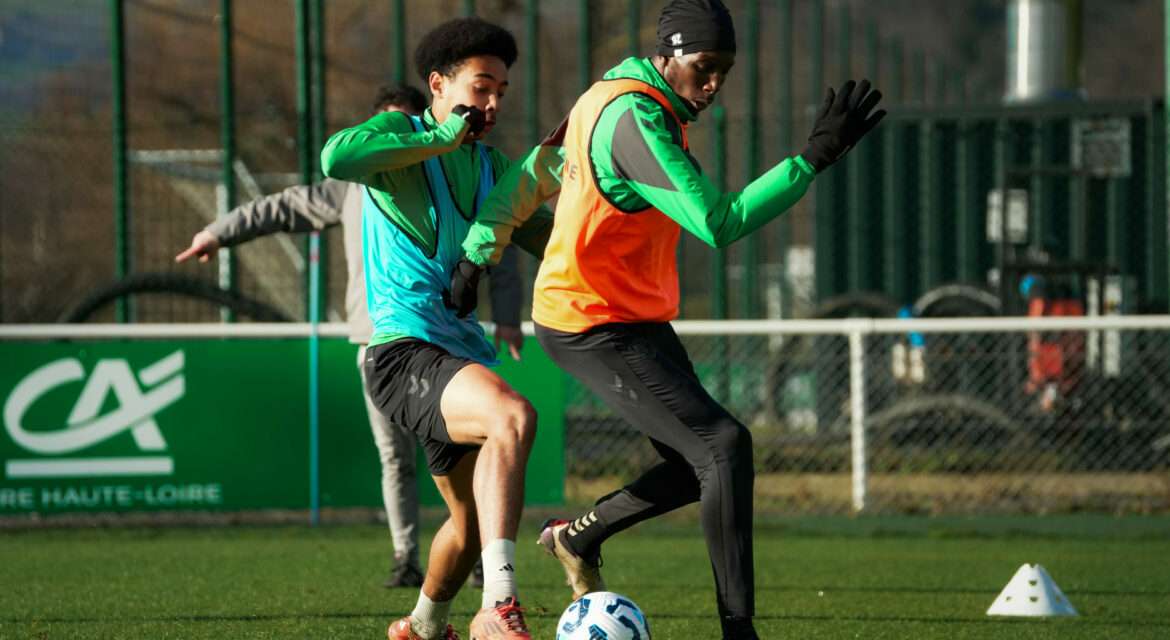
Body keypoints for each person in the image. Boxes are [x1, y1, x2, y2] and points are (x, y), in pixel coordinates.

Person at [451, 1, 885, 639]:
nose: (712, 84)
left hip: (630, 316)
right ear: (668, 56)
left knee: (699, 463)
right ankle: (738, 629)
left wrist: (477, 256)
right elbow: (719, 221)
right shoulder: (635, 121)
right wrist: (811, 159)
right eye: (703, 67)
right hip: (585, 319)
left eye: (724, 72)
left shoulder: (611, 92)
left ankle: (578, 537)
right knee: (725, 445)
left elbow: (534, 171)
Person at [175, 83, 524, 592]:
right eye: (380, 130)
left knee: (468, 447)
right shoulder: (352, 183)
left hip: (448, 342)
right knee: (394, 457)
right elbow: (282, 207)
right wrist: (217, 232)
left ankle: (470, 551)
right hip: (383, 346)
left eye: (401, 128)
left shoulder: (460, 170)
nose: (391, 140)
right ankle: (407, 555)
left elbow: (505, 238)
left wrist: (510, 316)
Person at [321, 17, 553, 640]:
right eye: (481, 88)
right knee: (515, 417)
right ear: (438, 84)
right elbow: (336, 155)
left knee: (472, 526)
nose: (493, 103)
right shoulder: (403, 134)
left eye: (502, 91)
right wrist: (446, 136)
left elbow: (549, 236)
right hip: (400, 351)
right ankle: (500, 604)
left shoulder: (490, 167)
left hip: (455, 357)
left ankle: (424, 626)